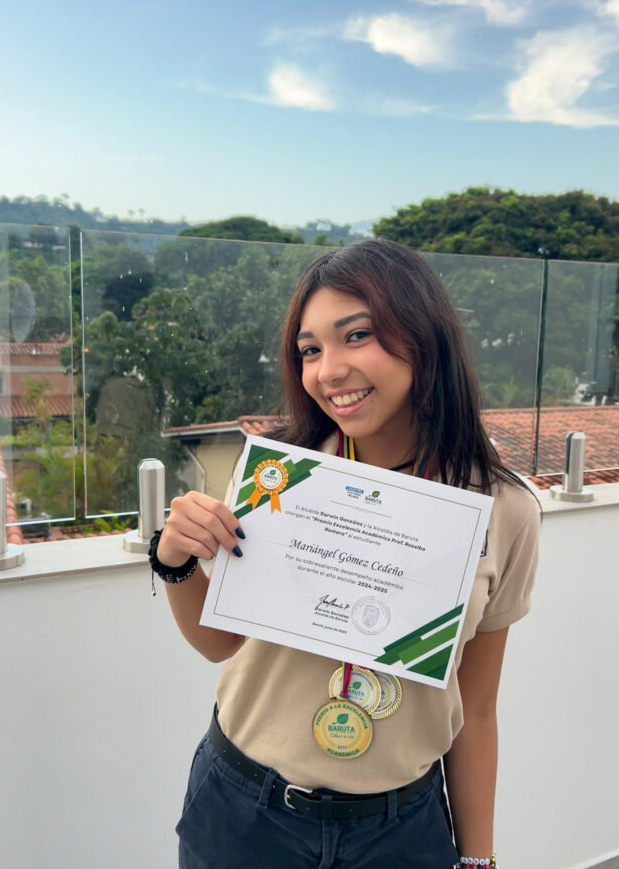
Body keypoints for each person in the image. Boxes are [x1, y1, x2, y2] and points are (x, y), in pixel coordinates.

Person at [151, 239, 539, 869]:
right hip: (245, 809)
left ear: (424, 338)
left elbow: (477, 709)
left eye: (356, 336)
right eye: (310, 350)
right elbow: (220, 644)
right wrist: (176, 562)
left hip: (399, 830)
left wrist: (478, 860)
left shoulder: (501, 509)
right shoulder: (280, 479)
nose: (327, 371)